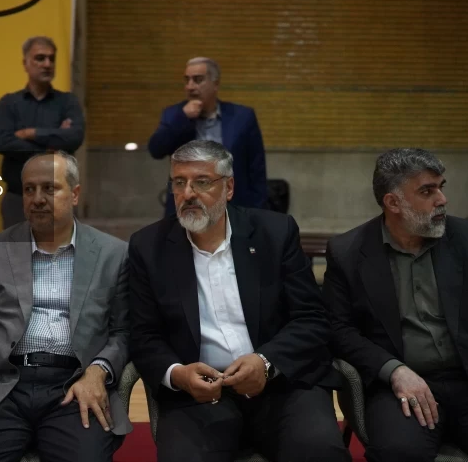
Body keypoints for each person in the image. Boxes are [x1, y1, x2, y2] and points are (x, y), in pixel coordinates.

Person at [323, 148, 468, 462]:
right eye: (427, 191)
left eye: (441, 187)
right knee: (397, 453)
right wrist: (393, 371)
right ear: (393, 203)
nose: (442, 199)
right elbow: (339, 330)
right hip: (402, 387)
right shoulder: (348, 252)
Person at [128, 140, 349, 462]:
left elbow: (311, 318)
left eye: (201, 182)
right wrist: (178, 374)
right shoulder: (149, 247)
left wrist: (265, 362)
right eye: (179, 182)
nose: (188, 193)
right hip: (198, 397)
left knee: (319, 452)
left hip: (282, 387)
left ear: (228, 187)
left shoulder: (274, 232)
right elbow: (143, 334)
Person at [0, 151, 131, 462]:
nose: (37, 199)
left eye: (49, 188)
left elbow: (123, 332)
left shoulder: (114, 254)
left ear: (75, 194)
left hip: (73, 386)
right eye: (29, 189)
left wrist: (98, 371)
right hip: (2, 386)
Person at [147, 57, 267, 217]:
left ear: (215, 84)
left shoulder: (242, 117)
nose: (190, 86)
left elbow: (257, 168)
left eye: (198, 80)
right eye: (187, 80)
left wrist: (258, 213)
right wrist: (183, 117)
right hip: (188, 205)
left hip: (233, 206)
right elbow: (156, 150)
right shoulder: (174, 114)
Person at [0, 36, 85, 228]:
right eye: (40, 58)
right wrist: (51, 148)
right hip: (18, 200)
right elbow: (3, 142)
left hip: (58, 199)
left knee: (59, 247)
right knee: (17, 248)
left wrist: (31, 133)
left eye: (52, 59)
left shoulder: (67, 102)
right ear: (25, 63)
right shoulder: (9, 103)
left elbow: (74, 137)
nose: (47, 64)